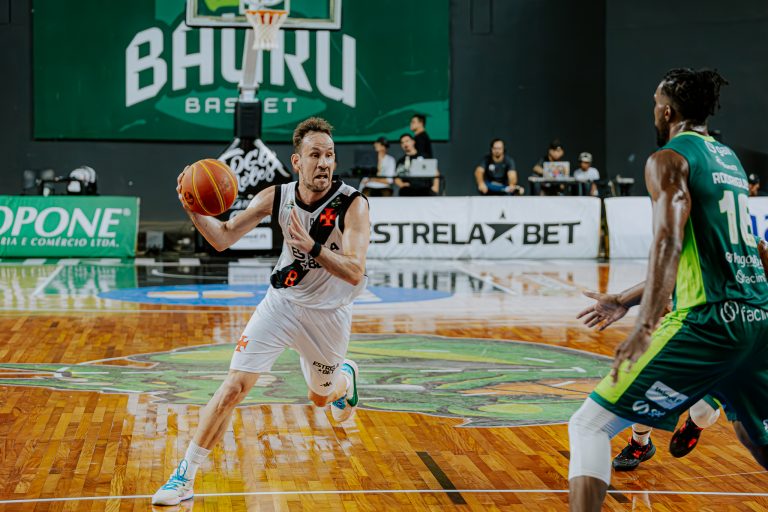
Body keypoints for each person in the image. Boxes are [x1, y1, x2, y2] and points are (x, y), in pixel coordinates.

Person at [568, 68, 768, 511]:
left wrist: (643, 327)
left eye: (655, 104)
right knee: (758, 441)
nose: (654, 112)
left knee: (589, 426)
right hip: (756, 318)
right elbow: (744, 249)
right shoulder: (729, 160)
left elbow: (668, 242)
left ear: (666, 111)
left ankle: (647, 439)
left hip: (709, 323)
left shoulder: (669, 158)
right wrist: (624, 299)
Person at [152, 117, 370, 506]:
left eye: (329, 155)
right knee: (233, 387)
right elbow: (223, 237)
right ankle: (183, 476)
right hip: (281, 305)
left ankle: (344, 380)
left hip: (329, 315)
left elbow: (355, 271)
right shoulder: (276, 196)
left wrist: (314, 247)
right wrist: (192, 208)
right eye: (315, 155)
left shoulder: (353, 205)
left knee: (321, 398)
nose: (324, 163)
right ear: (297, 162)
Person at [577, 286, 724, 471]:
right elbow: (666, 290)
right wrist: (624, 300)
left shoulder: (749, 295)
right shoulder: (699, 279)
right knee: (645, 392)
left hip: (726, 354)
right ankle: (640, 444)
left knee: (702, 413)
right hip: (683, 342)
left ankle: (694, 426)